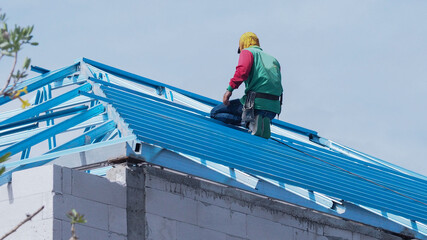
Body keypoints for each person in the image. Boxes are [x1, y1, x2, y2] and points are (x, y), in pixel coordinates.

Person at [210, 32, 283, 139]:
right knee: (261, 112)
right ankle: (260, 122)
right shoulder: (273, 60)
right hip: (273, 109)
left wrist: (229, 90)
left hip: (254, 105)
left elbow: (242, 72)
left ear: (243, 44)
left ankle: (250, 123)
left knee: (215, 112)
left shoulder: (247, 52)